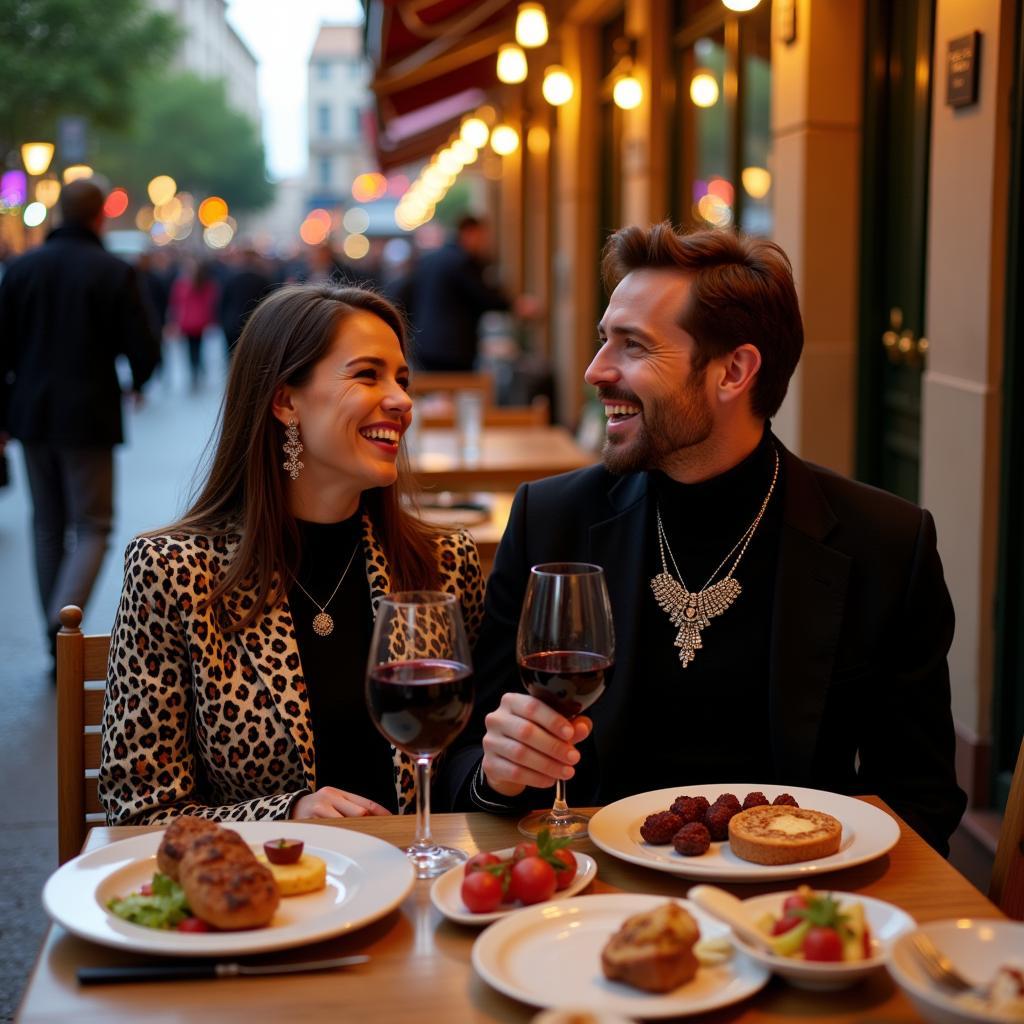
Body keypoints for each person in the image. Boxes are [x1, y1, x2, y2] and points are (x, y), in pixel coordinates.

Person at [441, 223, 966, 856]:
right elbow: (466, 762)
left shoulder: (884, 543)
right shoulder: (550, 519)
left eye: (633, 346)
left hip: (788, 896)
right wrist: (499, 775)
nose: (595, 370)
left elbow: (922, 797)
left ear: (734, 371)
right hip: (588, 905)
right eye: (603, 340)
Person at [98, 285, 485, 825]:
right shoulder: (175, 571)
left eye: (402, 378)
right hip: (272, 899)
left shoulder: (444, 563)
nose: (402, 401)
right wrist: (287, 815)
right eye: (367, 375)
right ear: (285, 401)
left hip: (418, 883)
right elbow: (137, 810)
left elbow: (471, 766)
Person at [0, 179, 160, 662]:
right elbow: (143, 346)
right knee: (93, 524)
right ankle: (61, 624)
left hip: (29, 414)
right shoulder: (113, 271)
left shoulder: (21, 269)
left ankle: (57, 639)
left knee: (47, 525)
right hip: (89, 414)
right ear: (100, 217)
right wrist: (137, 382)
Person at [406, 215, 524, 372]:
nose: (485, 243)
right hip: (452, 347)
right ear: (469, 233)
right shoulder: (462, 261)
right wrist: (514, 305)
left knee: (433, 392)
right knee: (454, 390)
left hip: (424, 344)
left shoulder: (431, 259)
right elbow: (483, 297)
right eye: (482, 237)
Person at [169, 258, 219, 390]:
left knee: (192, 350)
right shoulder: (205, 284)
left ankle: (195, 372)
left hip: (189, 323)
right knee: (197, 349)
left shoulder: (182, 284)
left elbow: (176, 304)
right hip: (197, 322)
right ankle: (198, 370)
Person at [218, 248, 273, 357]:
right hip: (255, 324)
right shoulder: (263, 279)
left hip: (233, 324)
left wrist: (224, 322)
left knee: (232, 358)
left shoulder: (232, 278)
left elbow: (223, 302)